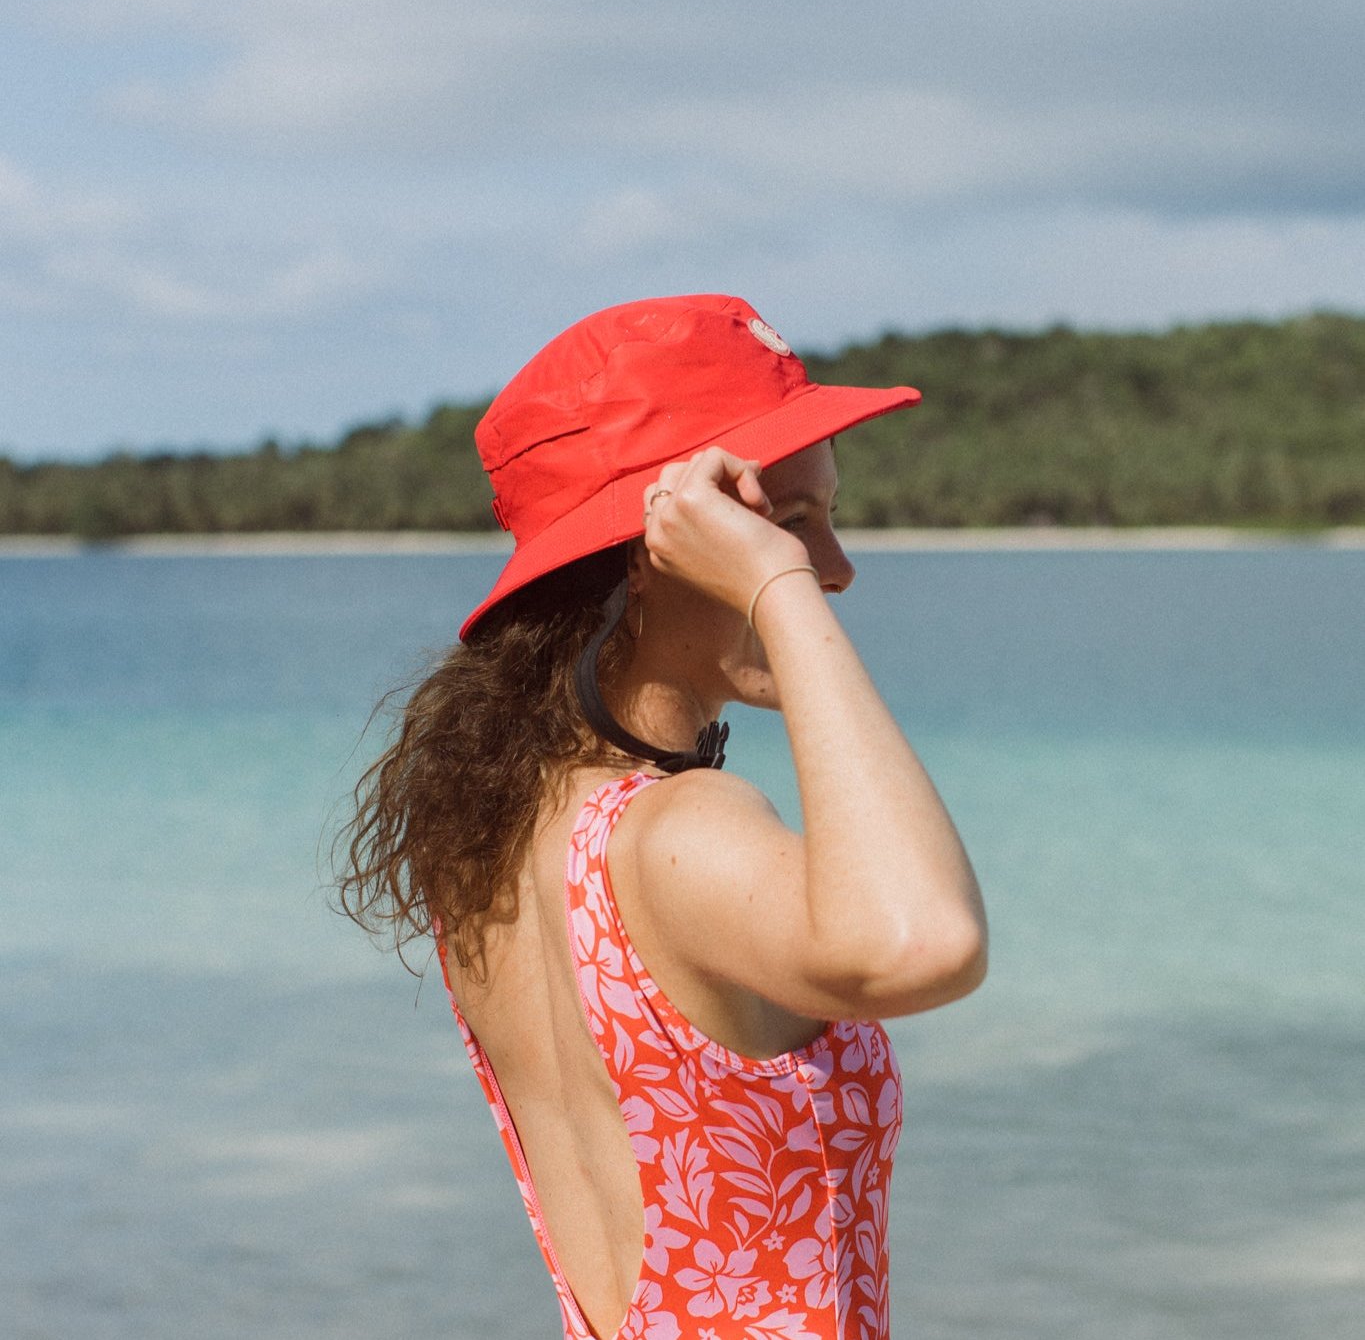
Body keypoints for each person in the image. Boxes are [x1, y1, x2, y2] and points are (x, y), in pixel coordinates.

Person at [337, 294, 987, 1340]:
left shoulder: (505, 839)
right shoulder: (679, 833)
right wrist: (777, 590)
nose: (837, 569)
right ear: (659, 546)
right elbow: (927, 942)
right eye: (790, 523)